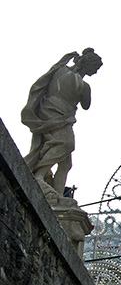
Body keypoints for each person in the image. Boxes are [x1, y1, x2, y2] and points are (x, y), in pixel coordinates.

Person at [22, 49, 102, 198]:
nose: (96, 72)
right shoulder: (83, 85)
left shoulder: (60, 70)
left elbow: (44, 82)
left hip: (47, 112)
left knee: (66, 164)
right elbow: (86, 105)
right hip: (59, 117)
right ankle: (39, 175)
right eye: (95, 68)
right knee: (66, 144)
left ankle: (57, 196)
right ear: (88, 64)